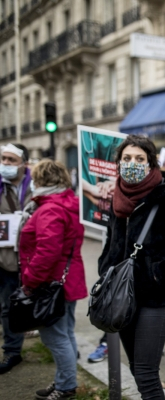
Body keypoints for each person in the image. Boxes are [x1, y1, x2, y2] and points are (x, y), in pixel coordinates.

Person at [98, 135, 165, 399]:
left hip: (154, 299)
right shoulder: (117, 196)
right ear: (118, 162)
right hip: (122, 298)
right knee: (137, 369)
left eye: (139, 158)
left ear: (150, 163)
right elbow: (112, 242)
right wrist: (105, 270)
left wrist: (156, 274)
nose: (132, 163)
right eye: (126, 158)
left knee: (146, 373)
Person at [18, 160, 87, 400]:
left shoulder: (50, 208)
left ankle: (66, 386)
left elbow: (47, 251)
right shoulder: (69, 203)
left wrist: (29, 280)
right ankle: (64, 380)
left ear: (41, 181)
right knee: (65, 334)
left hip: (51, 284)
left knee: (55, 337)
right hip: (66, 281)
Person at [0, 143, 32, 375]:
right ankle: (12, 350)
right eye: (4, 159)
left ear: (23, 164)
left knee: (38, 304)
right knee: (7, 306)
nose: (7, 164)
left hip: (32, 258)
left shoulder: (36, 185)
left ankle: (58, 345)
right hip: (4, 258)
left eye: (12, 160)